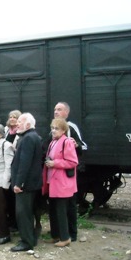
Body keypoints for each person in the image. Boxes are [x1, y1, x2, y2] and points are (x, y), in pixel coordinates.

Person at [52, 101, 87, 241]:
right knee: (57, 206)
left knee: (70, 205)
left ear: (66, 112)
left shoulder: (71, 127)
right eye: (55, 109)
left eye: (59, 109)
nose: (56, 111)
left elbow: (82, 147)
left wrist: (75, 144)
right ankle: (59, 233)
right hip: (55, 175)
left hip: (68, 174)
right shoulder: (54, 128)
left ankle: (72, 234)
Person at [42, 118, 78, 247]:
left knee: (61, 211)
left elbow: (73, 162)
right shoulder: (53, 142)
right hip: (52, 182)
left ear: (63, 130)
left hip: (62, 183)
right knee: (53, 210)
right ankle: (55, 235)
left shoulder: (66, 142)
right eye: (52, 128)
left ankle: (65, 238)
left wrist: (55, 163)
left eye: (56, 128)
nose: (53, 130)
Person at [10, 113, 43, 252]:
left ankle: (26, 242)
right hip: (31, 183)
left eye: (20, 122)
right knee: (28, 212)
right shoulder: (33, 136)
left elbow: (25, 163)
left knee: (23, 213)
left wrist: (19, 183)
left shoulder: (28, 138)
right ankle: (30, 238)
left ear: (28, 124)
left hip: (26, 184)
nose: (17, 124)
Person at [4, 109, 21, 231]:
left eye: (15, 117)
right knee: (7, 197)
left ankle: (16, 222)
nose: (12, 119)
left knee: (14, 197)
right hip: (5, 167)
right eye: (10, 116)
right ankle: (9, 220)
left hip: (14, 167)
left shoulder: (20, 133)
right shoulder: (6, 132)